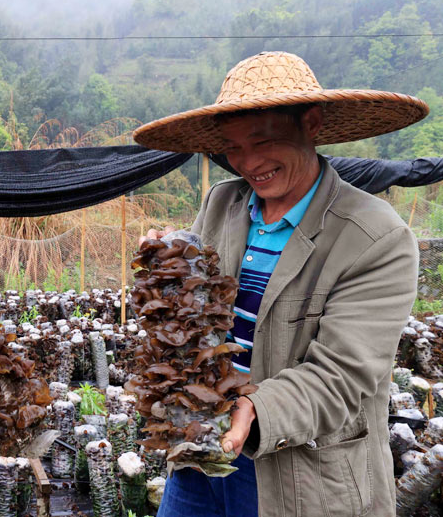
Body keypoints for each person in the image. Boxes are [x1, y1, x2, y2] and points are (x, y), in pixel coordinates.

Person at [133, 51, 428, 517]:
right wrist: (169, 257)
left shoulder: (375, 236)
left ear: (310, 123)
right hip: (199, 450)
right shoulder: (222, 203)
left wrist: (256, 410)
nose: (248, 163)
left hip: (299, 467)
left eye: (262, 140)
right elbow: (200, 308)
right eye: (232, 147)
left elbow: (344, 375)